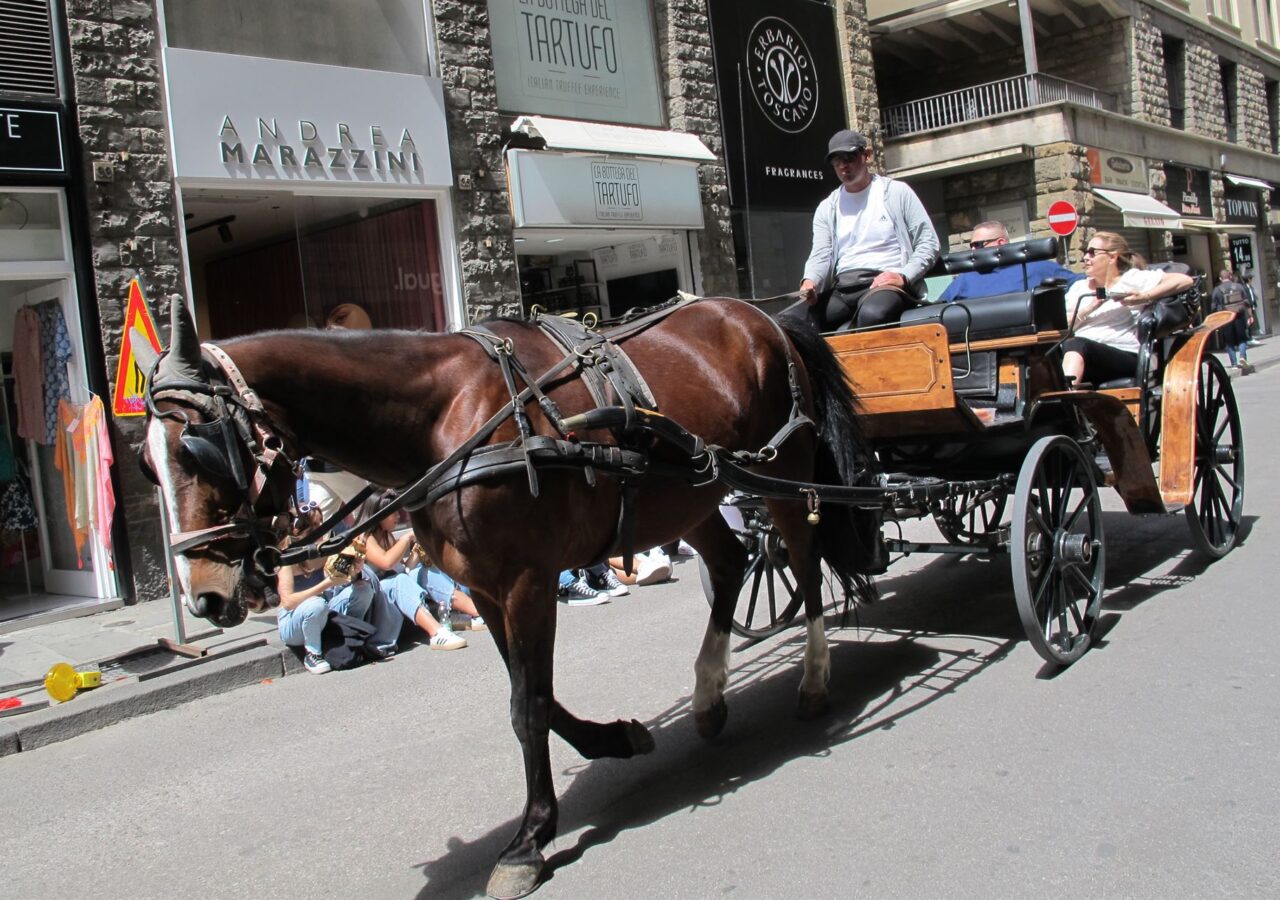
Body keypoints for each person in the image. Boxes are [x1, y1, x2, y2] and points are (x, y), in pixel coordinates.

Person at [794, 129, 940, 332]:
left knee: (872, 314)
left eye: (849, 157)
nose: (843, 166)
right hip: (843, 287)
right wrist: (810, 281)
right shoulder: (827, 207)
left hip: (884, 283)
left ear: (867, 155)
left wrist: (903, 276)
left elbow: (928, 243)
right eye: (836, 161)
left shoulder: (897, 192)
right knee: (793, 322)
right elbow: (821, 254)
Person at [1061, 232, 1194, 387]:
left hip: (1122, 354)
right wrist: (1090, 308)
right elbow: (1063, 327)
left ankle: (1066, 402)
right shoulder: (1078, 288)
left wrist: (1144, 297)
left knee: (1078, 345)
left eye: (1092, 253)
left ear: (1112, 257)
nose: (1085, 257)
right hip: (1079, 354)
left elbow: (1184, 280)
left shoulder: (1130, 279)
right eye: (1085, 252)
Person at [275, 505, 387, 674]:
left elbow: (342, 580)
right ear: (299, 531)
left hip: (323, 613)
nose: (322, 529)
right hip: (293, 623)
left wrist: (355, 571)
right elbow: (288, 602)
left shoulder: (323, 552)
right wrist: (327, 584)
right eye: (315, 524)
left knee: (363, 590)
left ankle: (352, 640)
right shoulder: (286, 561)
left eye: (321, 522)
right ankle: (313, 654)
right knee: (316, 604)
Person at [356, 491, 473, 649]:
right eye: (393, 513)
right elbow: (386, 563)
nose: (398, 516)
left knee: (424, 572)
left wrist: (417, 552)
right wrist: (406, 538)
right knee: (399, 582)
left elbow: (404, 570)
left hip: (395, 591)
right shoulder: (364, 538)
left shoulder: (386, 536)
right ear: (380, 515)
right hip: (376, 601)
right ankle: (437, 633)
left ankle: (476, 612)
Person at [936, 220, 1083, 302]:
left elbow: (1082, 284)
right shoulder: (965, 279)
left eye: (978, 245)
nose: (973, 250)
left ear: (1000, 243)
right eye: (971, 246)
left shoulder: (1038, 268)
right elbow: (938, 308)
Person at [1210, 269, 1255, 374]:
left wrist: (1215, 320)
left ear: (1221, 278)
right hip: (1239, 316)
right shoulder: (1239, 287)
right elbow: (1247, 302)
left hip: (1226, 318)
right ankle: (1243, 357)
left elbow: (1213, 307)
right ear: (1230, 276)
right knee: (1242, 339)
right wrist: (1250, 315)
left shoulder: (1217, 290)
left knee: (1229, 341)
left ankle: (1234, 364)